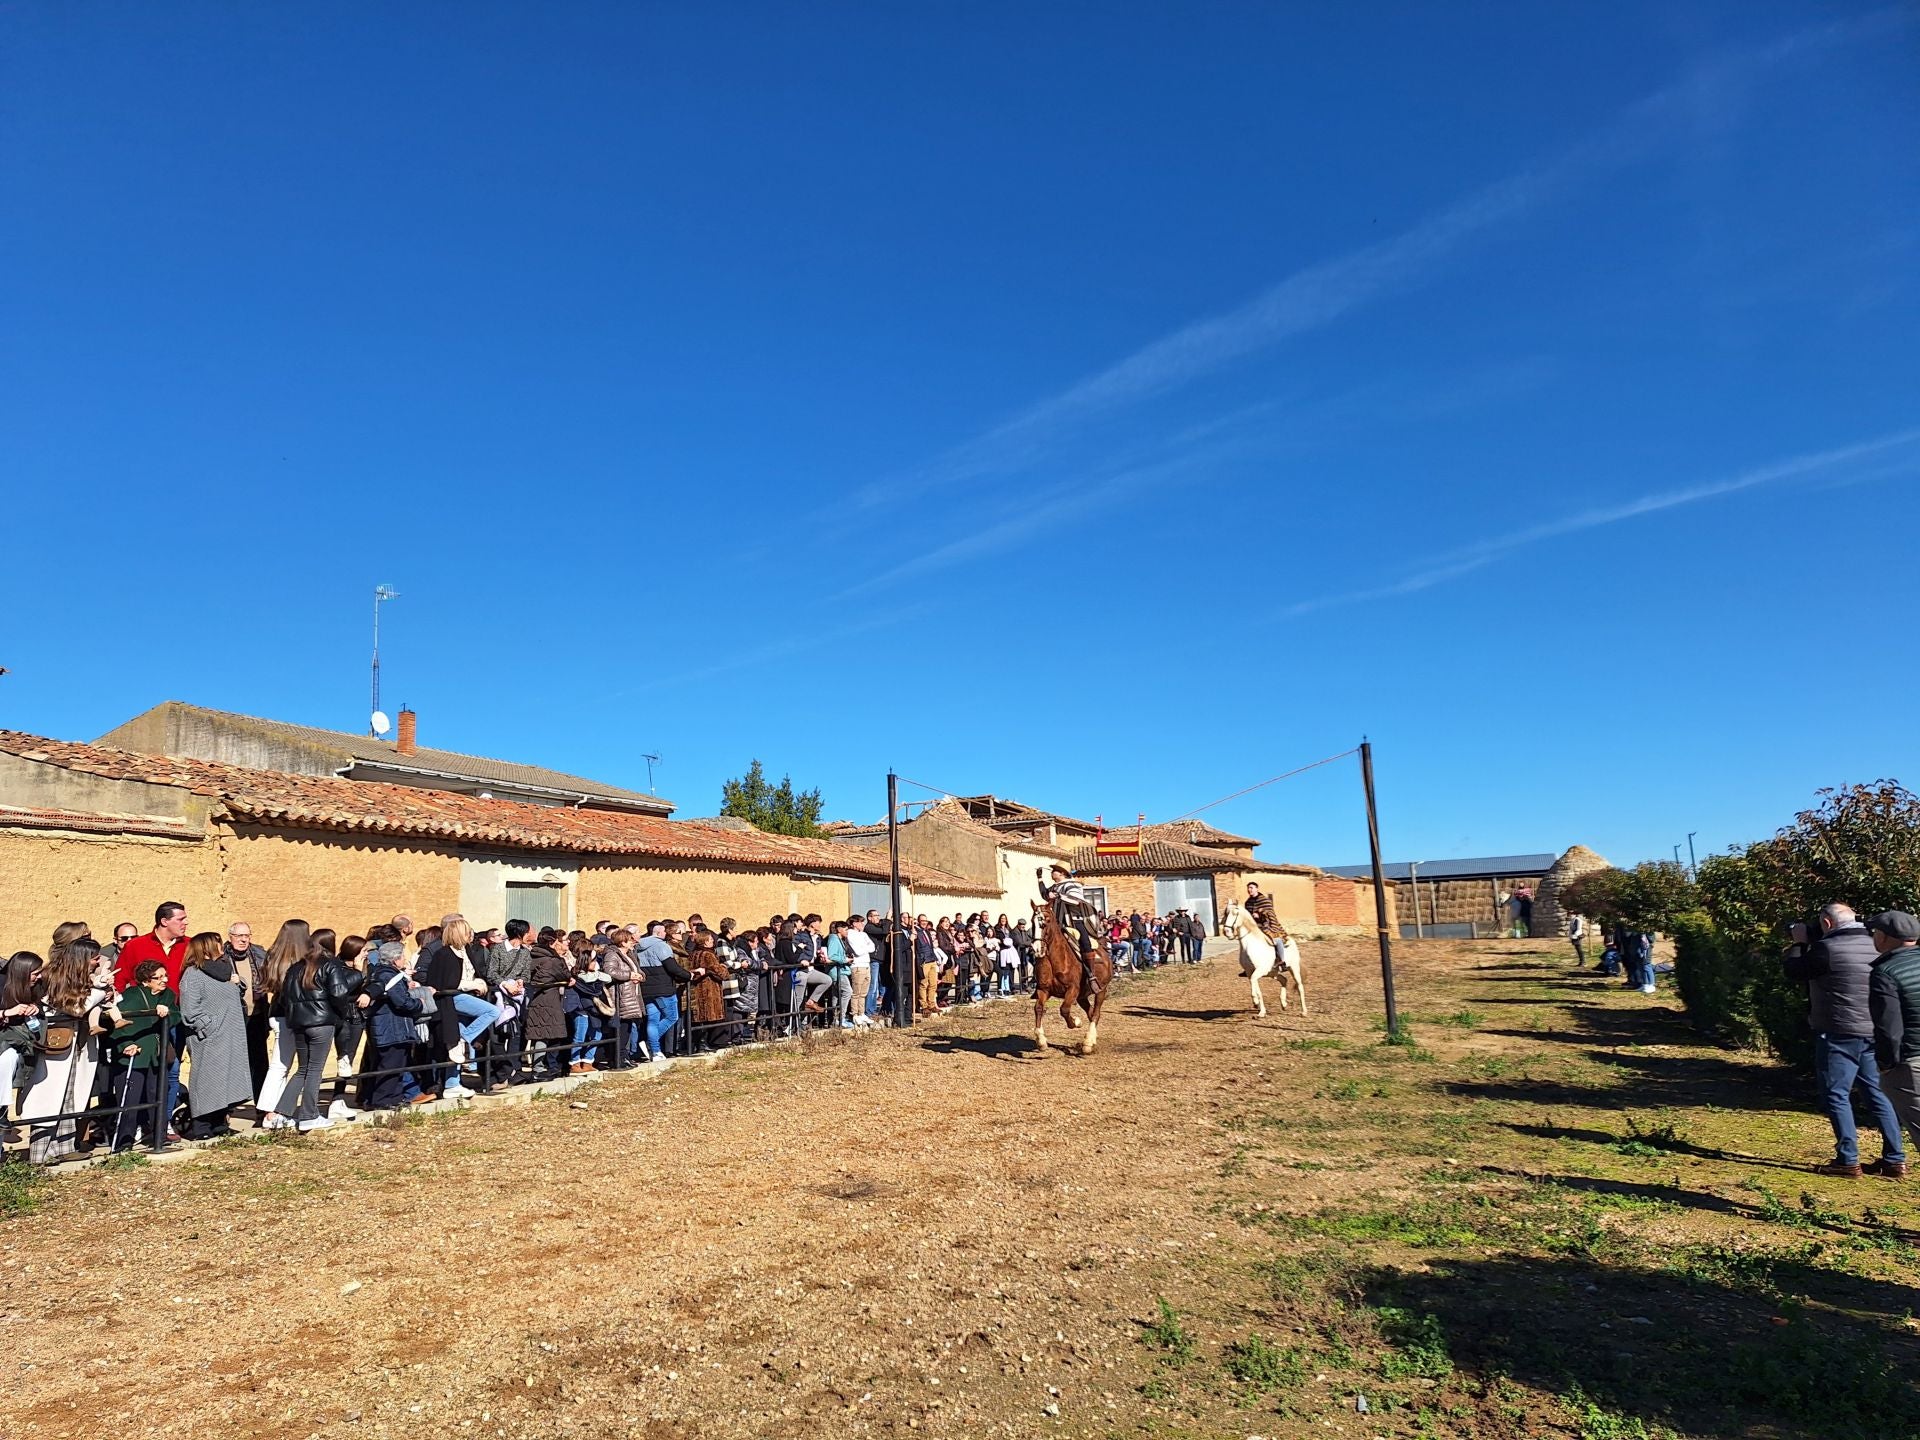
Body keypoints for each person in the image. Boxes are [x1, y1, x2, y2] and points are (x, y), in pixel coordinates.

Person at [1784, 904, 1908, 1178]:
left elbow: (1794, 971)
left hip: (1837, 1032)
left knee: (1837, 1095)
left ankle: (1848, 1159)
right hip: (1873, 1032)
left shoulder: (1824, 950)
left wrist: (1800, 942)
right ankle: (1895, 1159)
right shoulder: (1877, 945)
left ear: (1827, 923)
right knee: (1877, 1094)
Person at [20, 938, 114, 1163]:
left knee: (72, 1095)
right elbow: (75, 1008)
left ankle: (63, 1147)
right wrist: (99, 990)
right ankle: (39, 1154)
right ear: (82, 958)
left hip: (77, 1045)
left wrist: (105, 991)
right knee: (49, 1097)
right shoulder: (53, 977)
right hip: (56, 1045)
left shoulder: (81, 978)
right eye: (94, 957)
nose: (97, 961)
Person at [270, 926, 366, 1131]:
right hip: (321, 1023)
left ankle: (280, 1113)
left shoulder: (296, 967)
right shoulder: (330, 965)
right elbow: (339, 993)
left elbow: (285, 996)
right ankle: (309, 1115)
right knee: (315, 1070)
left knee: (302, 1069)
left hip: (299, 1023)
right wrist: (339, 1013)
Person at [177, 931, 252, 1139]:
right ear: (207, 947)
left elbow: (233, 995)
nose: (222, 947)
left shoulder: (224, 970)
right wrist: (209, 1027)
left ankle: (220, 1124)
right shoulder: (193, 974)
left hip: (230, 1034)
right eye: (218, 943)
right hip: (208, 1038)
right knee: (206, 1080)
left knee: (226, 1079)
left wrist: (238, 983)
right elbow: (190, 1009)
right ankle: (200, 1126)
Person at [1866, 910, 1920, 1180]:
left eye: (1874, 932)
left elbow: (1889, 1027)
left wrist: (1886, 1065)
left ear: (1884, 936)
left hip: (1911, 1062)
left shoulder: (1886, 972)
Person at [108, 960, 175, 1152]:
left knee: (158, 1095)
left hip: (156, 1055)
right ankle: (124, 1141)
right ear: (146, 981)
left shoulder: (168, 995)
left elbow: (177, 1015)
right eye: (158, 977)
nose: (164, 980)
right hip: (133, 1054)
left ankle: (159, 1137)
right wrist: (125, 1044)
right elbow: (116, 1023)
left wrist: (168, 1013)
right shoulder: (131, 996)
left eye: (165, 976)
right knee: (129, 1100)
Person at [362, 939, 425, 1111]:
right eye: (403, 956)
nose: (405, 960)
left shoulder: (381, 973)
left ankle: (391, 1098)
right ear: (395, 959)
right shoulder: (389, 975)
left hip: (389, 1028)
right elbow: (401, 1002)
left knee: (393, 1064)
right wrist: (419, 1003)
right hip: (392, 1028)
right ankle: (383, 1100)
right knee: (390, 1065)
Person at [636, 920, 690, 1061]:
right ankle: (650, 1044)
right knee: (672, 1017)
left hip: (646, 988)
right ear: (660, 933)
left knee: (653, 1020)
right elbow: (672, 967)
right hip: (663, 987)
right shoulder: (662, 946)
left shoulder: (639, 946)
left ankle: (656, 1052)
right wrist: (688, 975)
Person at [1040, 863, 1103, 971]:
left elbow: (1075, 900)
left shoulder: (1073, 884)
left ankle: (1091, 974)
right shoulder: (1055, 887)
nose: (1051, 873)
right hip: (1058, 922)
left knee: (1085, 943)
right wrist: (1039, 879)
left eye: (1054, 871)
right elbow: (1045, 895)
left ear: (1062, 873)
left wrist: (1058, 895)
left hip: (1073, 921)